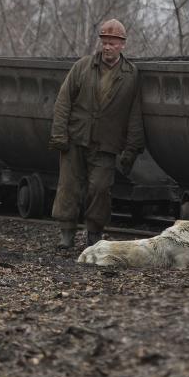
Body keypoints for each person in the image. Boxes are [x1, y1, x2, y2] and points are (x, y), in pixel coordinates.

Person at [49, 18, 145, 249]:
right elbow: (64, 101)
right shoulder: (82, 66)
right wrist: (59, 135)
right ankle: (67, 233)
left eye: (113, 43)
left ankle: (94, 233)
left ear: (122, 45)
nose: (108, 47)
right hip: (75, 138)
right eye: (104, 42)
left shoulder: (130, 75)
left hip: (106, 143)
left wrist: (132, 148)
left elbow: (134, 113)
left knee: (100, 189)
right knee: (69, 186)